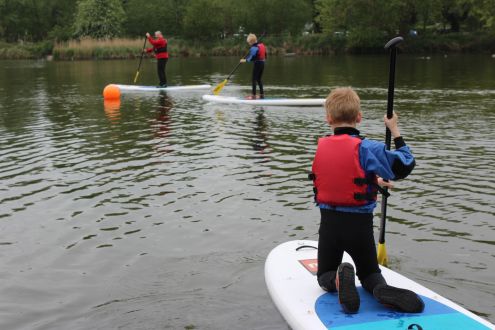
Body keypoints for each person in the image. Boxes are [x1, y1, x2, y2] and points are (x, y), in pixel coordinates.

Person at [309, 87, 424, 314]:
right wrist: (394, 129)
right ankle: (380, 290)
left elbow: (339, 177)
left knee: (324, 276)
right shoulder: (367, 148)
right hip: (359, 227)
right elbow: (405, 165)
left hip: (330, 225)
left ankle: (339, 281)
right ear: (359, 118)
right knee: (370, 274)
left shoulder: (321, 147)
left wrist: (375, 181)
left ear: (328, 119)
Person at [240, 33, 266, 99]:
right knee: (259, 79)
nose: (249, 44)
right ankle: (262, 94)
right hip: (262, 63)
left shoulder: (254, 48)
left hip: (257, 64)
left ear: (251, 42)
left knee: (253, 80)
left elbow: (251, 58)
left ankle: (253, 95)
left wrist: (244, 60)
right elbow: (265, 55)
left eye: (249, 43)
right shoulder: (261, 45)